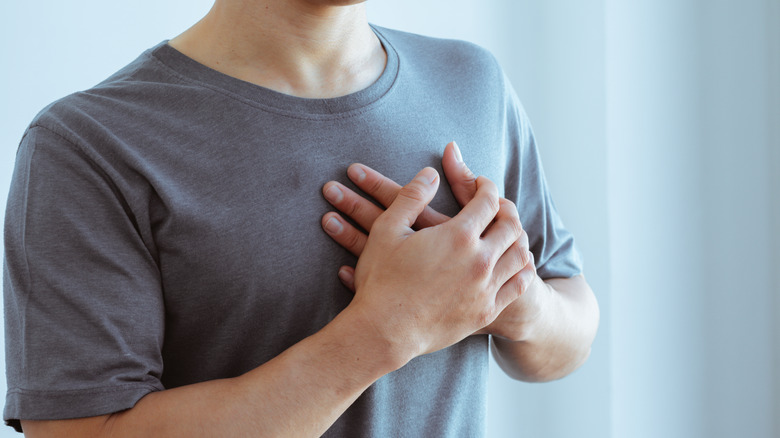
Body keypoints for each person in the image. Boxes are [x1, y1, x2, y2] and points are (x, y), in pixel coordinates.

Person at [3, 0, 599, 436]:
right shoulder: (88, 145)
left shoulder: (474, 83)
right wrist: (384, 331)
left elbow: (571, 321)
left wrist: (510, 296)